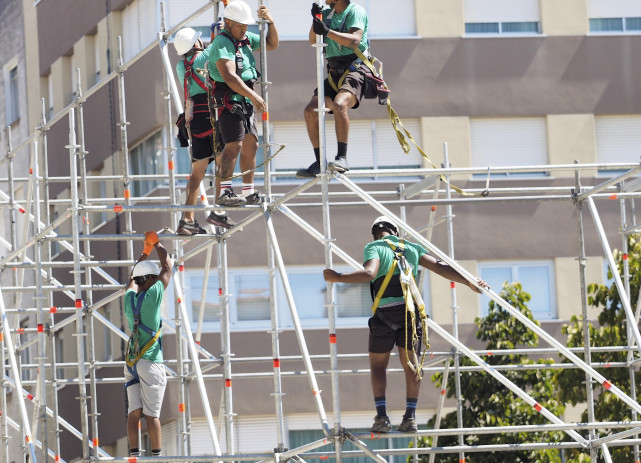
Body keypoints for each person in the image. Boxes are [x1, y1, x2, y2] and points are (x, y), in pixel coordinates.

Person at [322, 216, 489, 433]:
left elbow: (369, 273)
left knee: (378, 366)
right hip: (411, 315)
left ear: (375, 233)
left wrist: (337, 277)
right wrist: (469, 281)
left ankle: (382, 417)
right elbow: (441, 267)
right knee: (411, 365)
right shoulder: (411, 248)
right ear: (396, 232)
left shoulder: (373, 247)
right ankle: (410, 417)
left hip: (385, 316)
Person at [206, 1, 279, 228]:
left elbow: (272, 44)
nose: (245, 29)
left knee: (251, 146)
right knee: (233, 147)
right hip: (229, 100)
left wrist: (271, 22)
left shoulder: (245, 40)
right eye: (240, 25)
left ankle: (248, 190)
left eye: (246, 25)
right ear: (228, 23)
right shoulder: (222, 42)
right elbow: (229, 76)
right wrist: (255, 97)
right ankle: (225, 193)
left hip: (244, 100)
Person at [297, 0, 370, 178]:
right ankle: (319, 161)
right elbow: (313, 40)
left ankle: (342, 158)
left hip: (356, 69)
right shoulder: (328, 14)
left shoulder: (355, 11)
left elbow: (354, 41)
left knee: (339, 105)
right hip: (334, 72)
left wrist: (328, 32)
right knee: (310, 110)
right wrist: (316, 20)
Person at [124, 231, 173, 456]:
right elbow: (168, 268)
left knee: (135, 412)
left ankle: (134, 454)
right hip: (150, 362)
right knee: (153, 414)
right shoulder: (153, 295)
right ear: (151, 279)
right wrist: (157, 244)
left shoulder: (129, 300)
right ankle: (156, 456)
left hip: (131, 362)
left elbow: (131, 280)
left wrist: (144, 253)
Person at [173, 27, 220, 235]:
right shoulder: (205, 56)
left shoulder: (181, 66)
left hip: (194, 119)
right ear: (195, 45)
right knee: (222, 161)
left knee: (197, 172)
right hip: (210, 114)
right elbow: (221, 43)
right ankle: (218, 210)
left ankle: (188, 219)